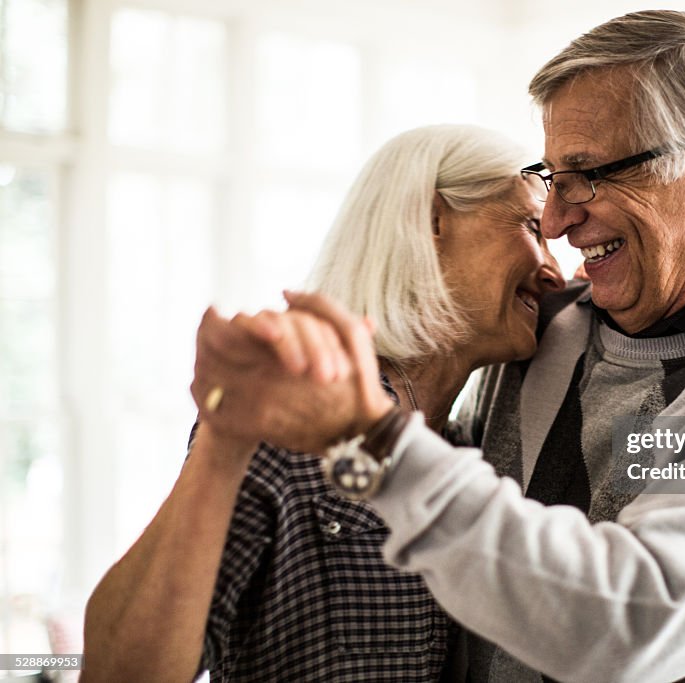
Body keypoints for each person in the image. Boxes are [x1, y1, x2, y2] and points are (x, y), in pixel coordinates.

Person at [190, 9, 685, 683]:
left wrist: (373, 439)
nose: (555, 220)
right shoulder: (544, 327)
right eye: (551, 178)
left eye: (588, 174)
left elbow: (626, 628)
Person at [80, 124, 566, 682]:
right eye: (533, 227)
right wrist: (225, 437)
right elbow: (118, 673)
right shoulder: (292, 422)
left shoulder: (467, 451)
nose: (554, 271)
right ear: (433, 220)